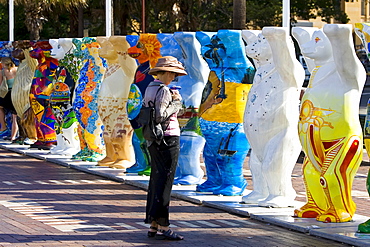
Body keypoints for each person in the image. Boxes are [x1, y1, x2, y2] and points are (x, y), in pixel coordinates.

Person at [144, 56, 187, 240]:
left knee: (156, 180)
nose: (174, 78)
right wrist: (176, 103)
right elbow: (161, 115)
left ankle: (153, 223)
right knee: (165, 183)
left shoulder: (150, 87)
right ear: (167, 72)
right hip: (167, 139)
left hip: (153, 139)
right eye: (174, 74)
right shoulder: (163, 90)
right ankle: (164, 224)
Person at [0, 57, 18, 142]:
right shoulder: (18, 69)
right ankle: (13, 135)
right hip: (18, 93)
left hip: (8, 94)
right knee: (15, 115)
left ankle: (3, 127)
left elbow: (0, 85)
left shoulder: (3, 72)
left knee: (0, 107)